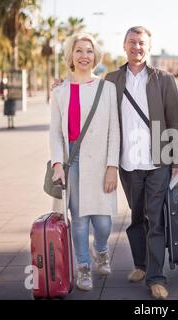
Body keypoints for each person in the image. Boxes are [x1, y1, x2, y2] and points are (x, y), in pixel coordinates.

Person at [105, 26, 178, 300]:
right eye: (132, 42)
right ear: (124, 46)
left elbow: (174, 122)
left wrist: (177, 162)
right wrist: (61, 85)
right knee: (136, 218)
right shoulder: (111, 80)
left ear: (149, 48)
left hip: (158, 162)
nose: (137, 47)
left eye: (142, 43)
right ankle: (141, 264)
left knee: (155, 219)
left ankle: (156, 277)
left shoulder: (164, 79)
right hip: (127, 162)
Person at [50, 33, 120, 291]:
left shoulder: (107, 89)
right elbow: (55, 132)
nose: (84, 56)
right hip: (73, 160)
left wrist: (112, 166)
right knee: (78, 218)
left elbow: (115, 130)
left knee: (103, 222)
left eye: (89, 51)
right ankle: (83, 268)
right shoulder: (60, 91)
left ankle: (100, 249)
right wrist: (58, 163)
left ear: (95, 56)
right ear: (71, 56)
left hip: (102, 161)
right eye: (79, 51)